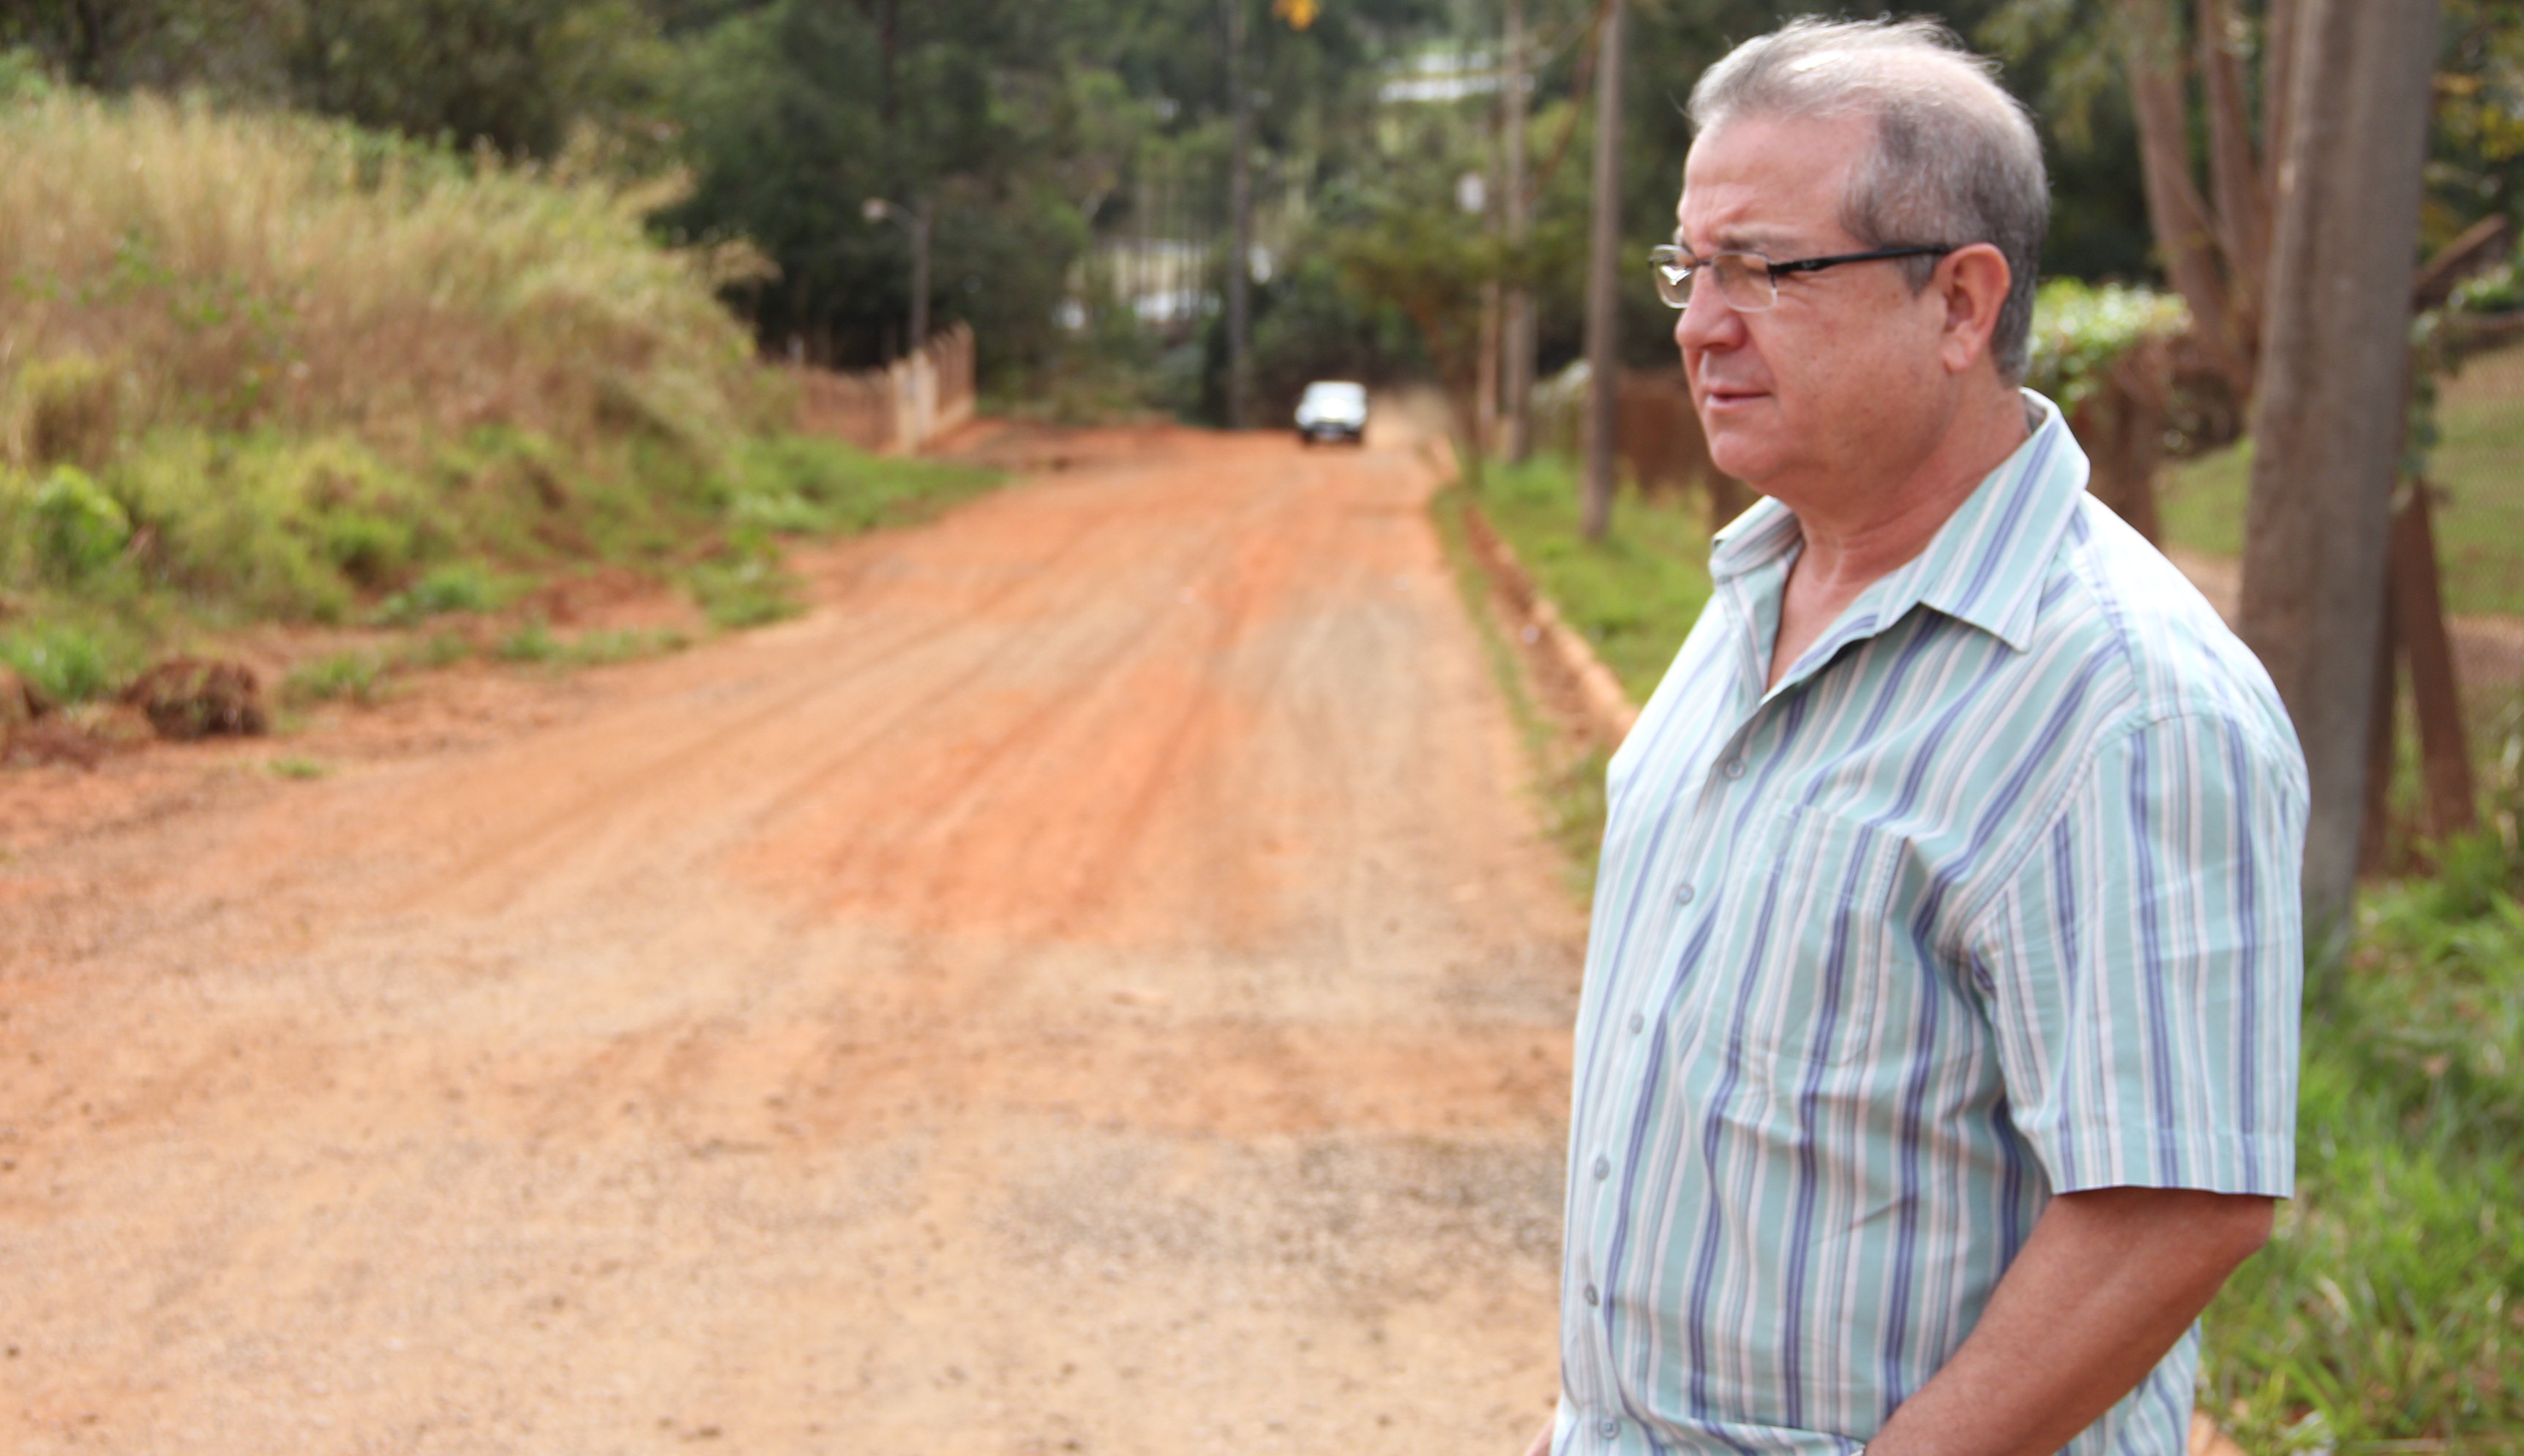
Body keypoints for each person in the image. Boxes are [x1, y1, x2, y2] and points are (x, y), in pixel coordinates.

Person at [1524, 18, 2307, 1456]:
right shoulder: (1763, 580)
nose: (1701, 321)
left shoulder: (2122, 703)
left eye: (1766, 268)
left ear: (1959, 303)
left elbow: (2176, 1206)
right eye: (1691, 269)